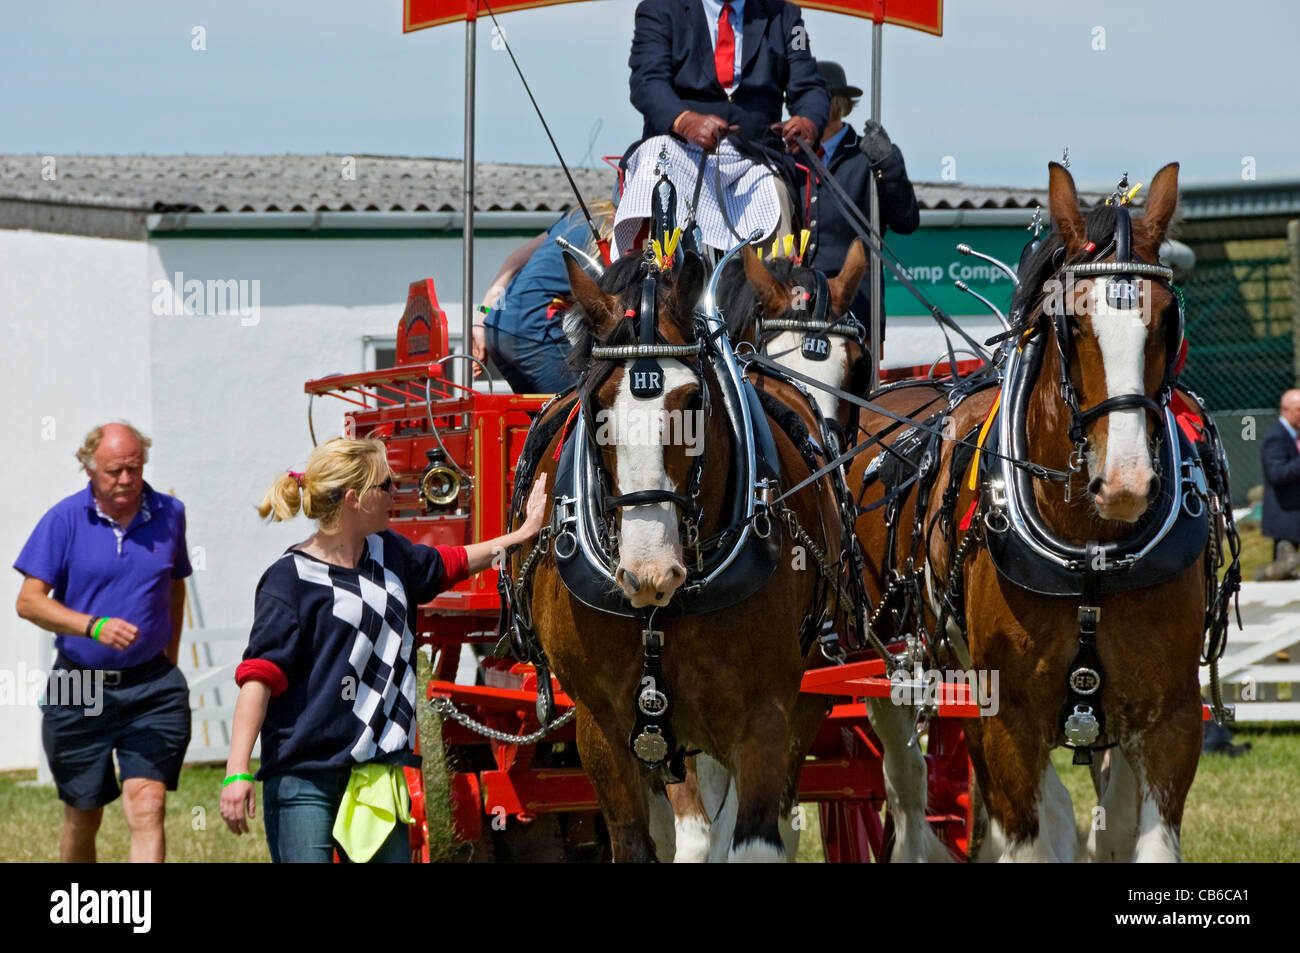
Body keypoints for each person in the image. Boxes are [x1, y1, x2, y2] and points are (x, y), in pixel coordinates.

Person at [220, 438, 548, 862]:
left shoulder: (390, 553)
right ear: (355, 499)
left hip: (378, 769)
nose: (397, 495)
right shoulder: (289, 580)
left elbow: (453, 562)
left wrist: (521, 537)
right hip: (304, 776)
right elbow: (258, 680)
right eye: (387, 485)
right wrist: (236, 771)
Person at [14, 422, 192, 863]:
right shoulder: (64, 519)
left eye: (134, 468)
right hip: (77, 683)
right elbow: (29, 602)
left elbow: (175, 586)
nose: (127, 480)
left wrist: (166, 660)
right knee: (83, 813)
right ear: (90, 468)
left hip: (152, 688)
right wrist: (92, 626)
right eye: (115, 471)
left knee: (148, 804)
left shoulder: (171, 513)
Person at [615, 0, 830, 257]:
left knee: (777, 196)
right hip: (678, 148)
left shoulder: (788, 18)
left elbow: (809, 85)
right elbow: (647, 81)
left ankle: (775, 289)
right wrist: (684, 121)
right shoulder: (658, 9)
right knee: (654, 179)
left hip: (756, 157)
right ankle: (656, 284)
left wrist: (808, 119)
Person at [803, 60, 919, 349]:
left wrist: (888, 165)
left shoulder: (867, 159)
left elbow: (906, 221)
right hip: (801, 307)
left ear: (831, 103)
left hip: (857, 307)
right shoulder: (793, 154)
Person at [472, 201, 614, 395]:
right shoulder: (623, 230)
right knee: (587, 407)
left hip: (496, 328)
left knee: (546, 419)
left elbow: (513, 260)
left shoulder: (578, 214)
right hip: (532, 330)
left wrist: (481, 320)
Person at [1257, 389, 1300, 580]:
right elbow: (1277, 473)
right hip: (1285, 516)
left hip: (1292, 516)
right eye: (1299, 409)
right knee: (1286, 564)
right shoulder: (1276, 437)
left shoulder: (1291, 435)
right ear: (1285, 409)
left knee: (1288, 571)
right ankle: (1264, 574)